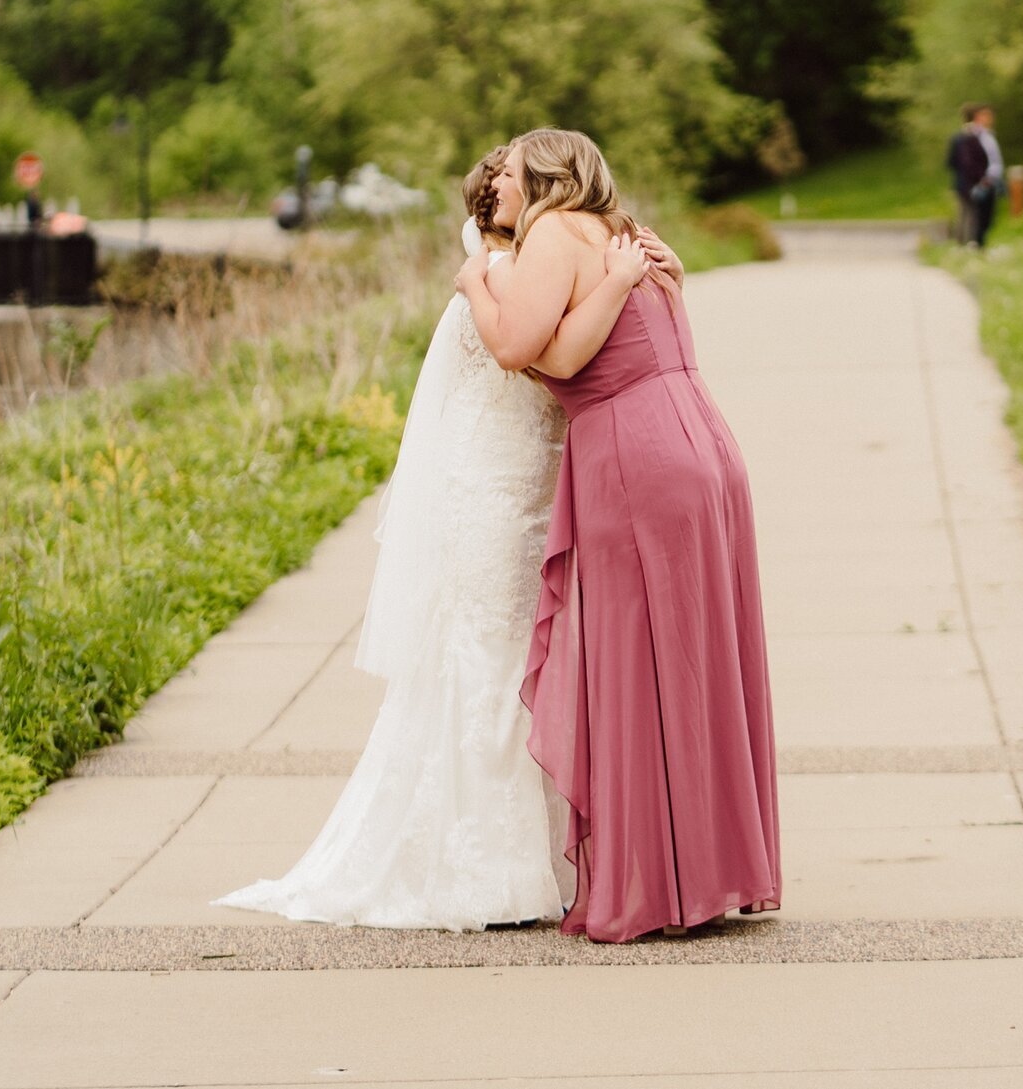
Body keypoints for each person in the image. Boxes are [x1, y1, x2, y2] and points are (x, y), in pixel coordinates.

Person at [214, 147, 682, 931]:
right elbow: (541, 354)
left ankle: (536, 852)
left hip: (532, 476)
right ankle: (482, 861)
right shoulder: (496, 271)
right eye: (495, 187)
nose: (502, 192)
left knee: (521, 654)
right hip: (490, 482)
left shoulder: (536, 257)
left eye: (510, 180)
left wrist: (642, 269)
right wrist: (607, 277)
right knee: (489, 653)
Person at [460, 128, 780, 943]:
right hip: (699, 437)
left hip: (637, 450)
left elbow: (527, 350)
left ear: (543, 174)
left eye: (514, 166)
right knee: (695, 661)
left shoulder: (556, 232)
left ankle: (657, 887)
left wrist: (475, 279)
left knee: (637, 663)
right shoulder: (624, 234)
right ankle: (704, 872)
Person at [947, 103, 1004, 246]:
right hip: (973, 182)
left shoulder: (986, 135)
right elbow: (962, 162)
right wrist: (980, 178)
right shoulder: (968, 137)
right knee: (969, 215)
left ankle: (973, 245)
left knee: (979, 216)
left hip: (984, 181)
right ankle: (966, 245)